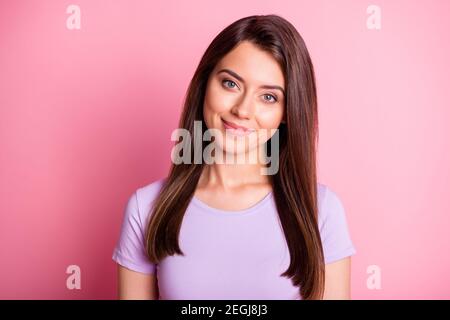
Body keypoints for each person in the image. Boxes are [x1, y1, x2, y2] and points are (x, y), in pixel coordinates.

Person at [112, 14, 356, 300]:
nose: (242, 109)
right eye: (231, 84)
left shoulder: (321, 211)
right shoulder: (146, 208)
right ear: (205, 84)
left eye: (268, 97)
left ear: (286, 113)